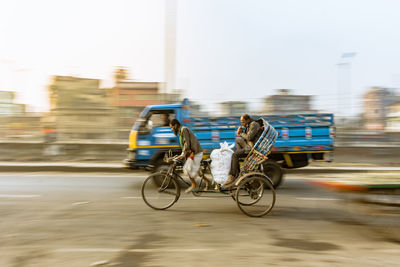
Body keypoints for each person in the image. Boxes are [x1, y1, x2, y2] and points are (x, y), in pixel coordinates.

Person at [169, 119, 211, 193]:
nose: (171, 129)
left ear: (175, 125)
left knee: (187, 169)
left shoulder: (183, 130)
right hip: (192, 153)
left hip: (196, 153)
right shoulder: (180, 131)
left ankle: (194, 185)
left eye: (172, 127)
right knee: (197, 171)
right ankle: (208, 181)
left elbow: (187, 143)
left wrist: (182, 154)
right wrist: (181, 154)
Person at [222, 114, 263, 188]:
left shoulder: (254, 124)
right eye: (241, 122)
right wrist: (242, 131)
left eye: (243, 122)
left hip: (252, 148)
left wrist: (241, 133)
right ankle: (241, 158)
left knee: (234, 155)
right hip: (249, 144)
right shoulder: (249, 124)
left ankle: (233, 175)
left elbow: (249, 137)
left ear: (248, 120)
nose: (242, 123)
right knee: (237, 140)